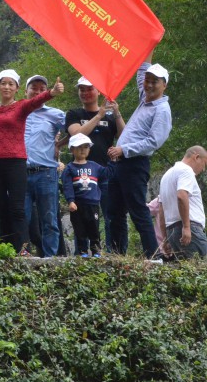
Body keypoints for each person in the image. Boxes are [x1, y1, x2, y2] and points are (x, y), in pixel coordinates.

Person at [0, 70, 64, 254]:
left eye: (11, 84)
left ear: (17, 89)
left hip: (15, 162)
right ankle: (4, 248)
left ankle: (22, 249)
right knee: (2, 208)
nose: (6, 87)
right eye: (3, 83)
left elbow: (35, 101)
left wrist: (52, 93)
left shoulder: (21, 106)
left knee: (17, 207)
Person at [107, 52, 172, 257]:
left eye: (155, 82)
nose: (150, 85)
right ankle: (117, 254)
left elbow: (154, 142)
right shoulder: (145, 100)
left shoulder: (162, 110)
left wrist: (124, 149)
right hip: (121, 163)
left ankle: (154, 255)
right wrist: (149, 43)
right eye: (148, 81)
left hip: (135, 163)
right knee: (114, 210)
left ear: (164, 85)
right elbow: (142, 70)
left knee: (138, 211)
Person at [65, 76, 124, 252]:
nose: (85, 93)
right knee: (80, 217)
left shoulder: (111, 117)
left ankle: (113, 252)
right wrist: (99, 115)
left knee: (110, 215)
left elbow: (125, 136)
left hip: (105, 172)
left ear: (98, 91)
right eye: (82, 89)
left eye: (89, 89)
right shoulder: (74, 114)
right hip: (80, 175)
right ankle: (81, 252)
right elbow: (76, 136)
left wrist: (117, 114)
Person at [23, 74, 66, 257]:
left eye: (43, 89)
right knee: (21, 217)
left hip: (46, 172)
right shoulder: (18, 110)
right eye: (34, 88)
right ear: (26, 91)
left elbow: (74, 131)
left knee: (49, 219)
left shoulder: (55, 114)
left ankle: (50, 259)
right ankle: (21, 253)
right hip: (20, 171)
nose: (38, 91)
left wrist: (59, 144)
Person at [61, 133, 114, 258]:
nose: (82, 150)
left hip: (93, 204)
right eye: (79, 147)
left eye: (85, 147)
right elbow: (67, 186)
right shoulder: (69, 168)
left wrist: (113, 161)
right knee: (80, 229)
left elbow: (107, 173)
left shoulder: (94, 166)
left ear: (89, 149)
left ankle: (96, 251)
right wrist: (70, 201)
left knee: (94, 228)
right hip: (77, 205)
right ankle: (82, 251)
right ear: (72, 149)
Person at [159, 146, 207, 260]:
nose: (203, 169)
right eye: (204, 164)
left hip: (172, 232)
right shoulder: (186, 170)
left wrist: (165, 238)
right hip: (190, 230)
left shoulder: (166, 176)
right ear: (196, 157)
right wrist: (187, 227)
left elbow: (161, 210)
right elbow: (181, 195)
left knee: (189, 273)